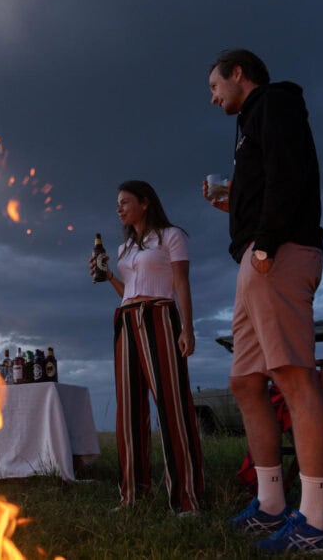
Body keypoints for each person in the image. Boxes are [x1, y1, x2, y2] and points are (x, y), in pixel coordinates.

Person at [204, 49, 323, 552]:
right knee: (245, 382)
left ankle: (318, 521)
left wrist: (266, 240)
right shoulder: (247, 124)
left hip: (278, 252)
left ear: (238, 73)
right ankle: (270, 506)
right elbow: (268, 178)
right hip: (255, 258)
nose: (212, 95)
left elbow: (290, 172)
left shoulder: (275, 103)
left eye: (214, 84)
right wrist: (232, 201)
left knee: (292, 376)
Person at [90, 180, 204, 516]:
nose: (119, 208)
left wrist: (188, 327)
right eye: (118, 204)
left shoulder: (171, 236)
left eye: (125, 202)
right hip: (126, 318)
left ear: (145, 202)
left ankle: (186, 498)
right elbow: (129, 290)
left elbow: (181, 282)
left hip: (159, 315)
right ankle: (134, 494)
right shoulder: (126, 248)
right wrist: (109, 275)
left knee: (172, 404)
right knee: (129, 408)